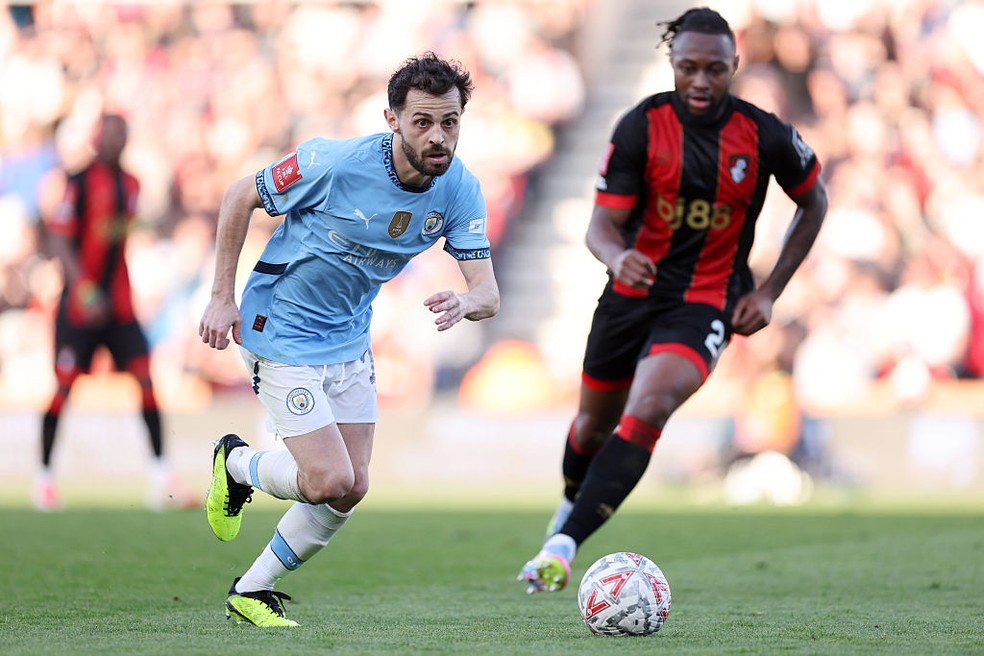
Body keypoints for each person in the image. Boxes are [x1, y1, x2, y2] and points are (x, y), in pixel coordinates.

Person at [518, 7, 828, 593]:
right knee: (590, 427)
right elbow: (600, 228)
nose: (702, 81)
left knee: (652, 402)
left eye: (716, 68)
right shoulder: (641, 125)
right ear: (673, 66)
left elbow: (815, 202)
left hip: (708, 301)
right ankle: (569, 511)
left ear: (735, 65)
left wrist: (769, 291)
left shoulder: (764, 135)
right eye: (689, 68)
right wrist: (615, 257)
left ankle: (563, 544)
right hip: (630, 297)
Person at [198, 52, 499, 627]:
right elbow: (240, 195)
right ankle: (237, 465)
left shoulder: (458, 190)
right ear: (392, 119)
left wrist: (465, 302)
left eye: (450, 122)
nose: (438, 137)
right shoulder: (331, 162)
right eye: (423, 122)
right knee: (328, 478)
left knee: (351, 489)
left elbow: (489, 295)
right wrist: (220, 297)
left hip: (348, 339)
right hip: (278, 329)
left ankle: (250, 591)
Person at [34, 113, 190, 512]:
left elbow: (119, 238)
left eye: (120, 136)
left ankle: (160, 478)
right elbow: (61, 239)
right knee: (65, 386)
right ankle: (45, 478)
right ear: (95, 138)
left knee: (146, 379)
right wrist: (85, 289)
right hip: (80, 306)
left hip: (120, 305)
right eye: (107, 135)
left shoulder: (132, 183)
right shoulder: (78, 182)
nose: (113, 142)